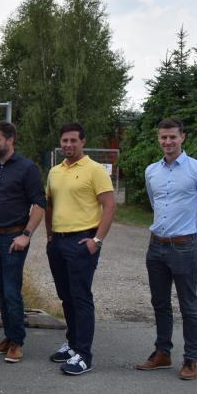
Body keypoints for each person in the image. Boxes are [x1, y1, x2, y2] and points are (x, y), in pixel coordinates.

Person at [135, 118, 197, 380]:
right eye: (163, 137)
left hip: (184, 247)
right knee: (159, 303)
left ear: (183, 138)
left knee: (188, 306)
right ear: (158, 139)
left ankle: (191, 360)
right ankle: (162, 353)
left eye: (172, 137)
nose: (167, 142)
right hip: (156, 245)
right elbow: (154, 201)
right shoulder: (151, 171)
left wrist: (190, 233)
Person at [45, 122, 115, 375]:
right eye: (64, 141)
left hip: (82, 242)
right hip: (58, 242)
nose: (68, 145)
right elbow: (50, 204)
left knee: (81, 297)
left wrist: (97, 241)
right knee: (66, 296)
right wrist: (50, 237)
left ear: (82, 142)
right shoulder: (54, 171)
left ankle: (84, 355)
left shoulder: (95, 170)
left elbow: (109, 205)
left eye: (73, 140)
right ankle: (72, 345)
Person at [0, 121, 45, 363]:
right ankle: (8, 335)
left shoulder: (27, 168)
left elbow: (39, 204)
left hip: (13, 238)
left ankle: (17, 342)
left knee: (11, 291)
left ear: (10, 140)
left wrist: (26, 235)